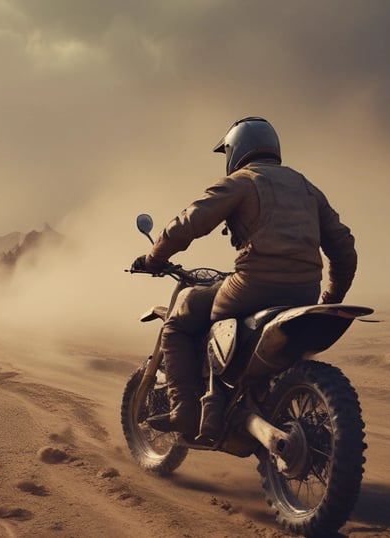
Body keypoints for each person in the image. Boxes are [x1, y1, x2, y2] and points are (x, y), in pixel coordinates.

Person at [131, 116, 357, 436]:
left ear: (236, 150)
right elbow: (344, 248)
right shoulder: (308, 188)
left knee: (182, 316)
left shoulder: (242, 181)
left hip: (253, 286)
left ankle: (185, 409)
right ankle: (229, 394)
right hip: (305, 293)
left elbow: (190, 222)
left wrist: (155, 257)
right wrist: (332, 297)